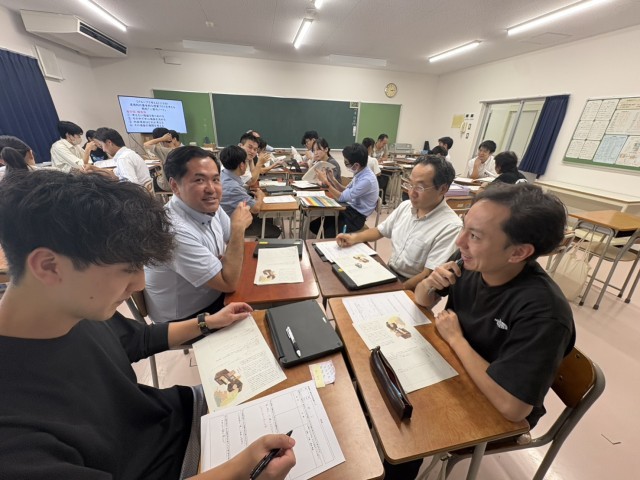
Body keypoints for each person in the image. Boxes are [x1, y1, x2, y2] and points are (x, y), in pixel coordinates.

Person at [0, 169, 295, 480]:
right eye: (127, 269)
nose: (140, 283)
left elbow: (138, 339)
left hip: (180, 416)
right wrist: (241, 472)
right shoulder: (14, 437)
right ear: (49, 266)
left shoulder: (71, 309)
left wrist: (208, 322)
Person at [385, 183, 575, 479]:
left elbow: (513, 408)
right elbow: (422, 300)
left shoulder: (543, 314)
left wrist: (456, 339)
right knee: (377, 389)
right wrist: (431, 282)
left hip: (494, 407)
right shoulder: (473, 261)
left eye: (474, 236)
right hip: (454, 371)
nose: (460, 241)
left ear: (518, 252)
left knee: (405, 434)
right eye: (464, 228)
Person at [144, 146, 254, 323]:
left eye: (216, 179)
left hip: (215, 294)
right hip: (187, 318)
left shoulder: (208, 205)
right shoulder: (173, 230)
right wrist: (238, 228)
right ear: (175, 186)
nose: (211, 189)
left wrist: (227, 259)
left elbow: (232, 245)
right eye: (199, 180)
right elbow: (229, 282)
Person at [336, 155, 461, 290]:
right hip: (390, 272)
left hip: (415, 286)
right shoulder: (406, 206)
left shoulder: (450, 226)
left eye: (420, 187)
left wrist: (394, 291)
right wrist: (353, 238)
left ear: (443, 189)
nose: (411, 192)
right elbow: (379, 231)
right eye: (410, 184)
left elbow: (428, 275)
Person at [312, 143, 378, 237]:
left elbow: (342, 197)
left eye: (346, 163)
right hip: (349, 210)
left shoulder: (367, 180)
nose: (345, 164)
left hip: (356, 218)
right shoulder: (360, 173)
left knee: (325, 231)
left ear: (356, 165)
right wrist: (333, 180)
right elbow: (346, 190)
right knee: (314, 225)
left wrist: (326, 182)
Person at [219, 145, 281, 238]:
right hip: (232, 225)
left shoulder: (223, 175)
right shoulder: (233, 187)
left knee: (268, 219)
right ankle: (257, 246)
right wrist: (260, 196)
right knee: (275, 231)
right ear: (242, 165)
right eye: (246, 163)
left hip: (228, 218)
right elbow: (255, 209)